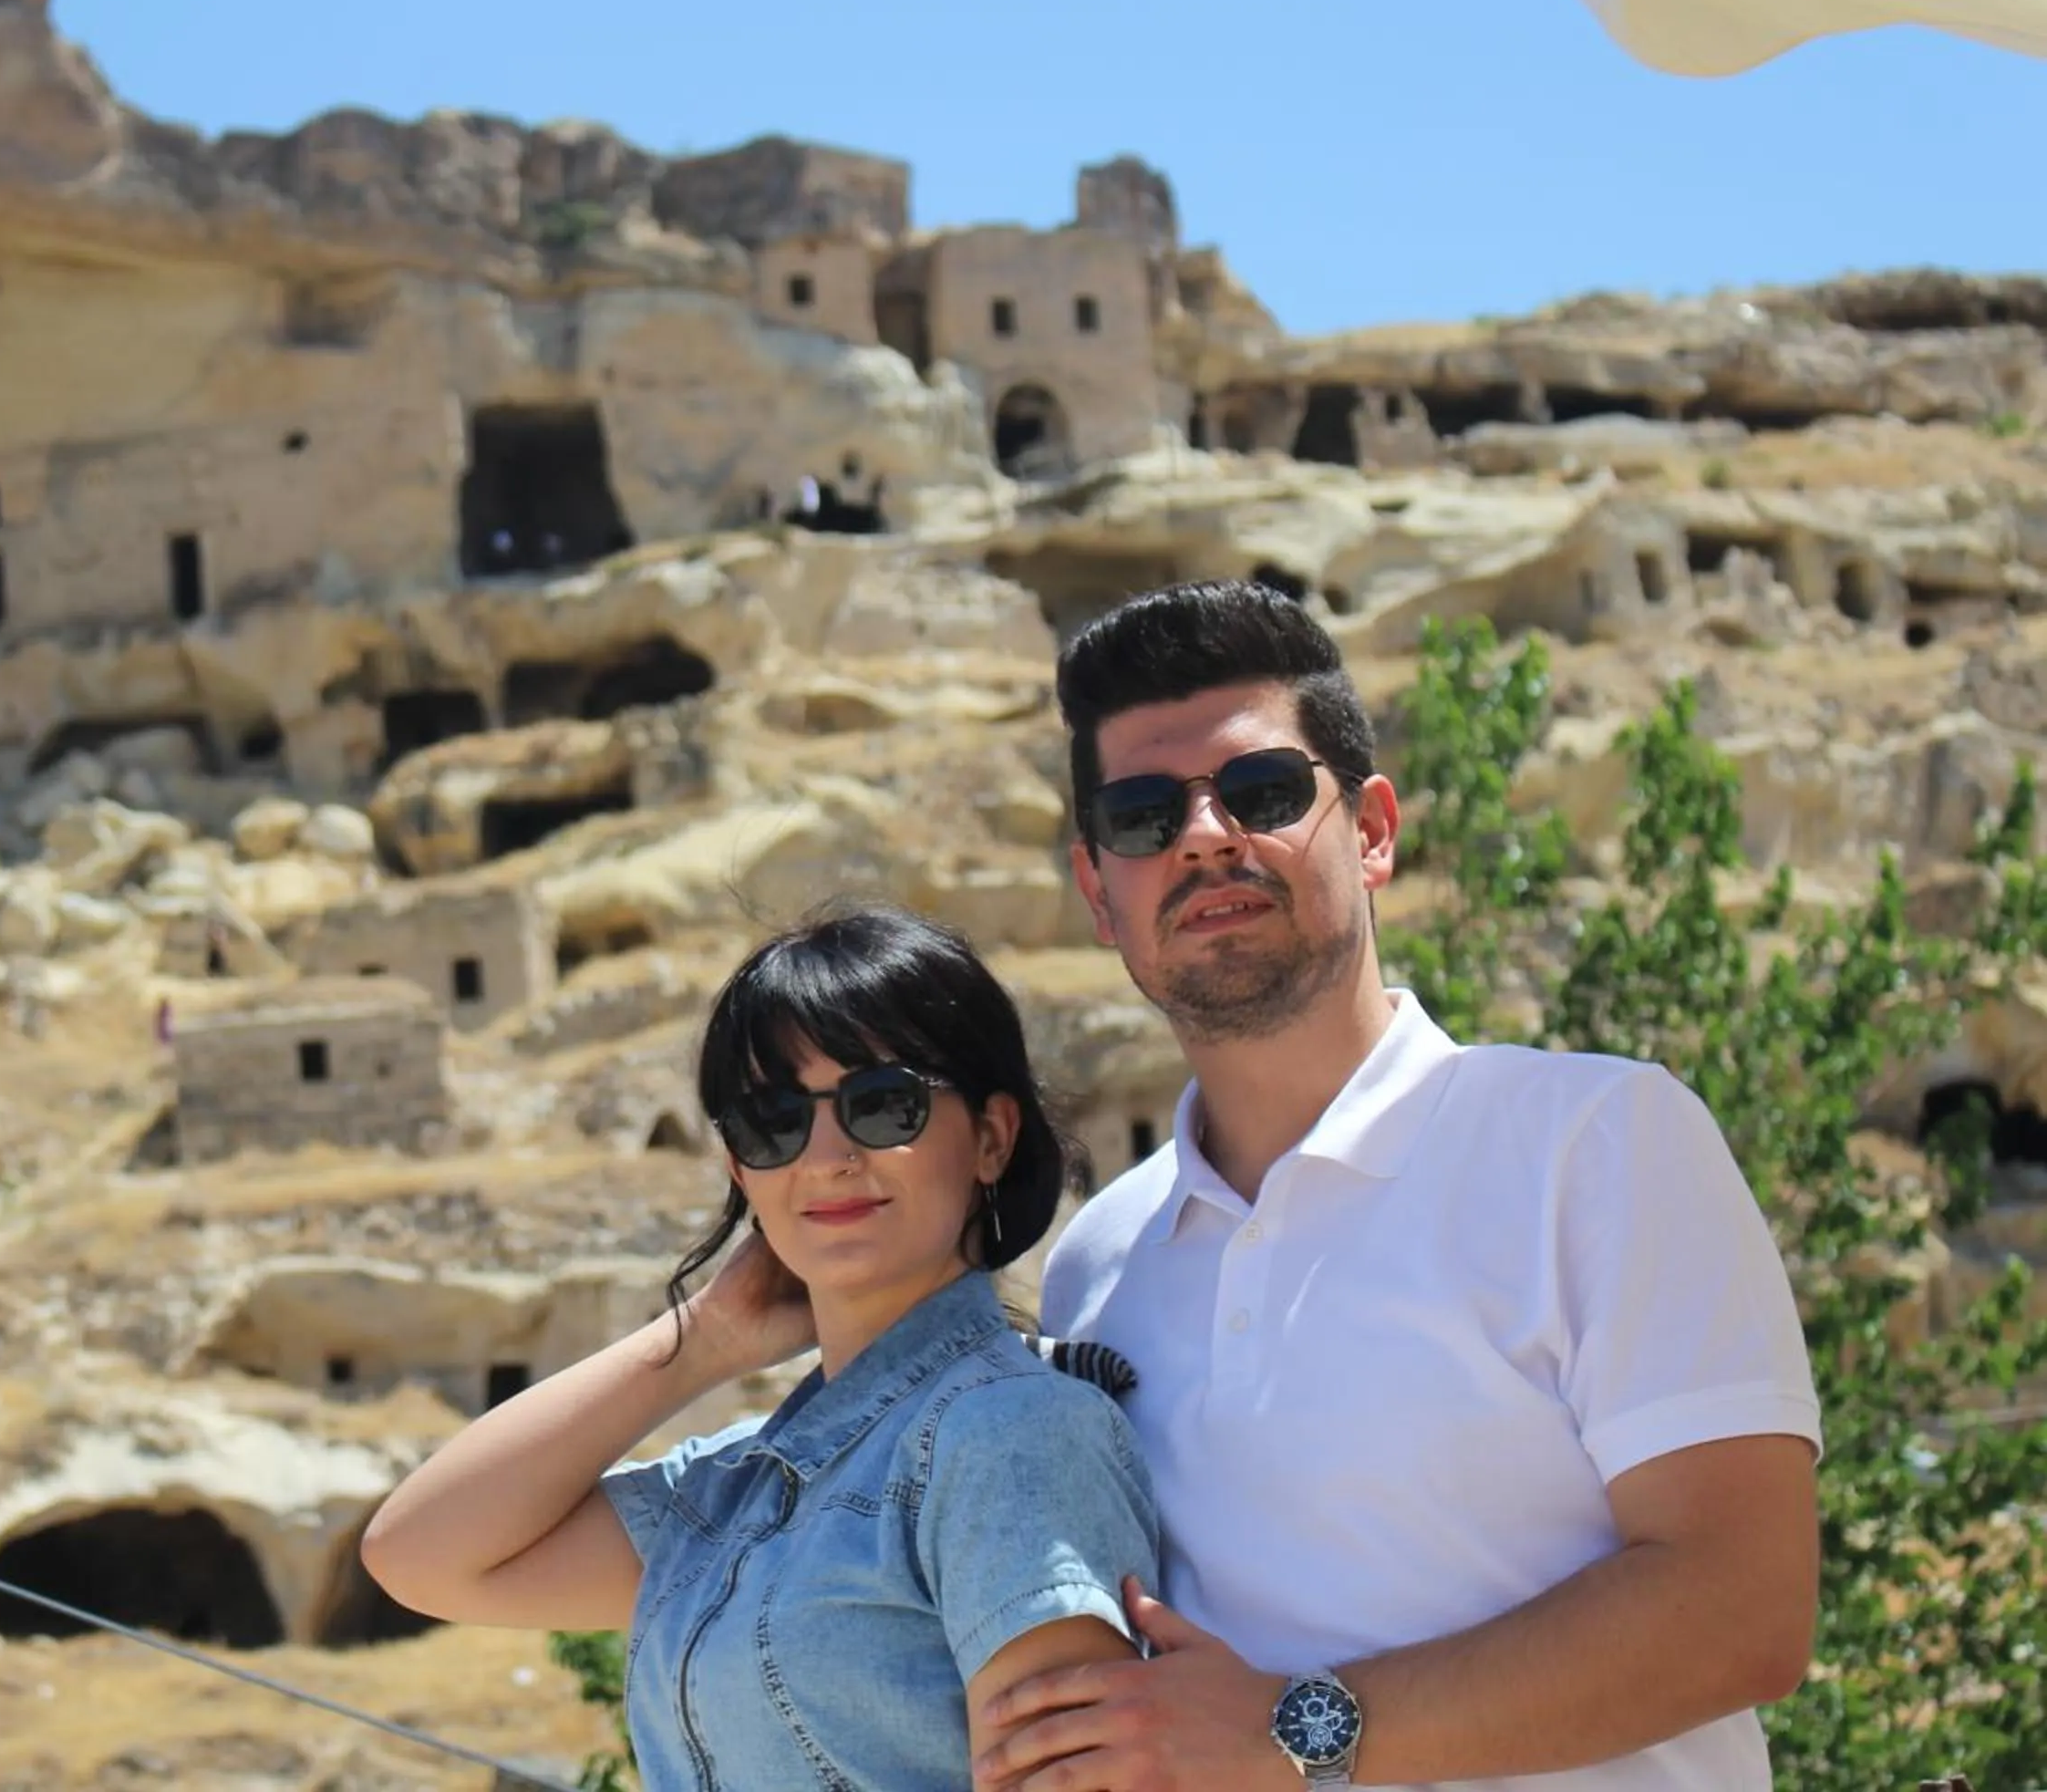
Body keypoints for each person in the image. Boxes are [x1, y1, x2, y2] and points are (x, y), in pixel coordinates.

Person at [972, 578, 1823, 1792]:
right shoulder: (1101, 1264)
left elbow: (1740, 1607)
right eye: (1145, 815)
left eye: (1261, 793)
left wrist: (1297, 1730)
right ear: (1099, 892)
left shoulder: (1598, 1144)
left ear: (1372, 830)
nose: (1205, 836)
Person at [361, 902, 1164, 1789]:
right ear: (741, 1168)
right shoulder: (740, 1490)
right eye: (773, 1121)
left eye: (881, 1104)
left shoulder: (1009, 1434)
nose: (826, 1156)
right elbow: (420, 1555)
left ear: (990, 1134)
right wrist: (701, 1341)